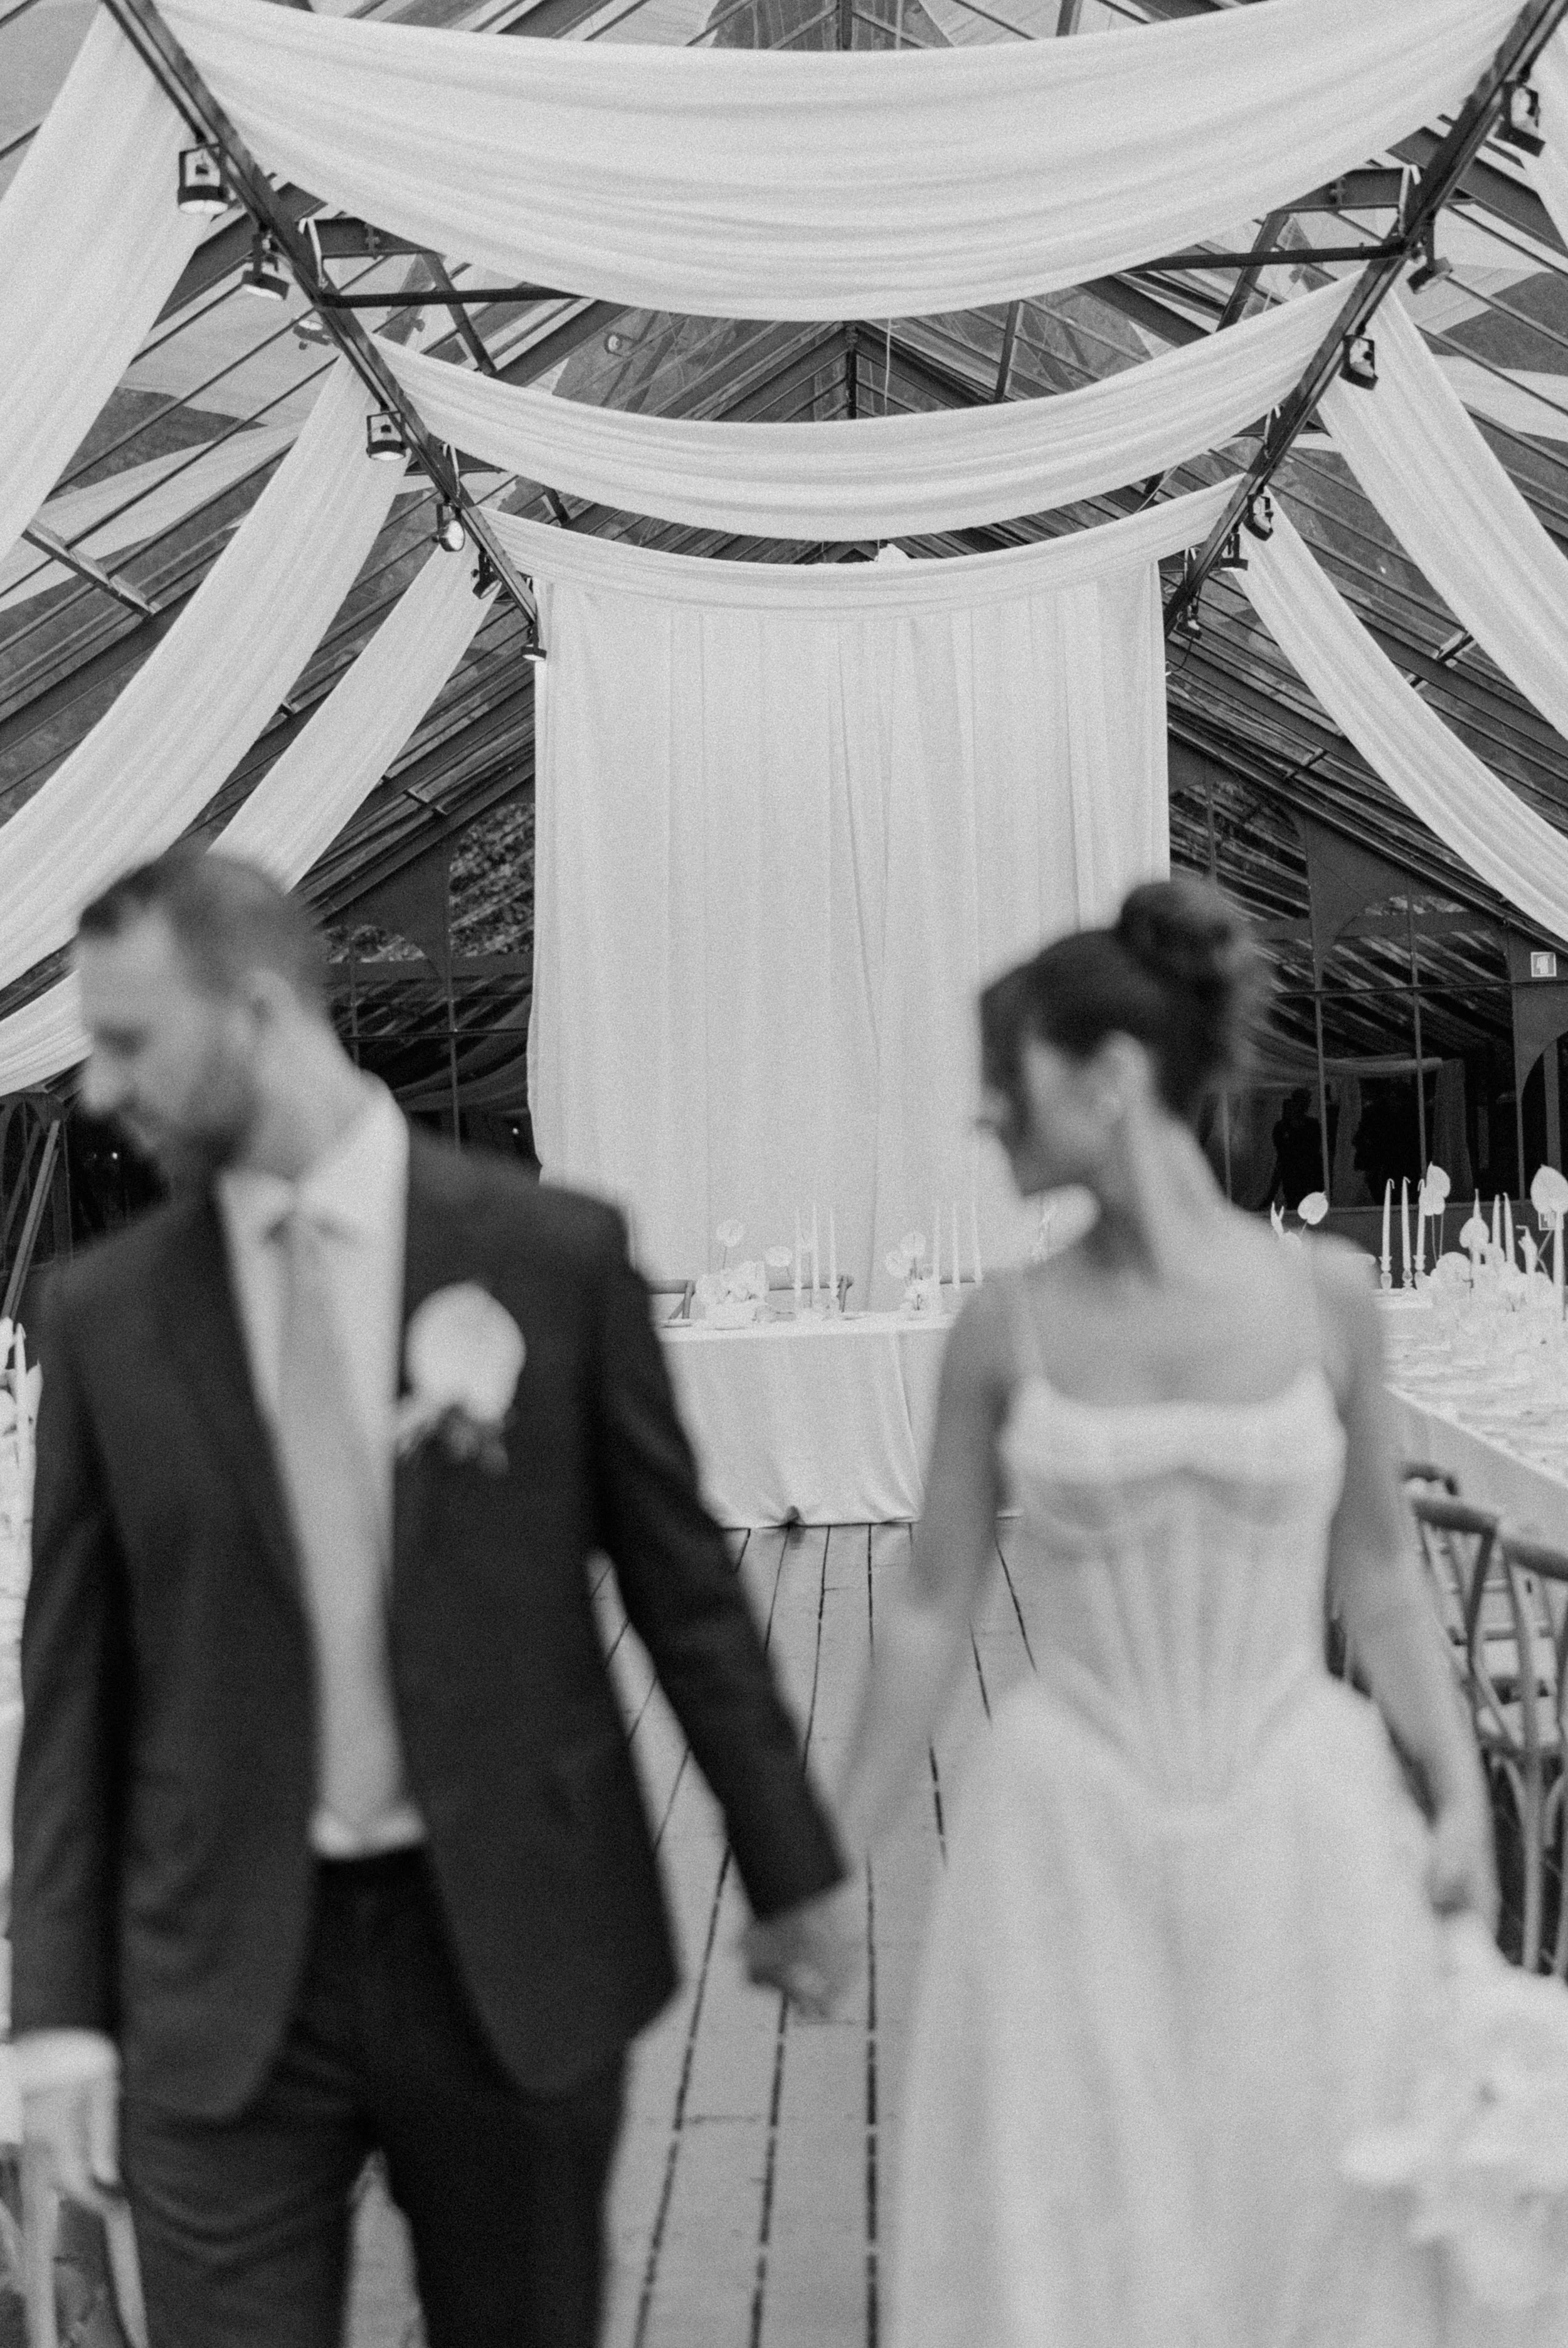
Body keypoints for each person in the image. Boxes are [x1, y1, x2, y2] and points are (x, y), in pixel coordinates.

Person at [11, 847, 854, 2348]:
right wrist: (60, 2014)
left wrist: (789, 1869)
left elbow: (686, 1597)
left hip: (511, 1950)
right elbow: (75, 1684)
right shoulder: (103, 1317)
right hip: (217, 1973)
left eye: (130, 1040)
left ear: (258, 1009)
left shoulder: (550, 1256)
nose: (95, 1090)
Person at [818, 877, 1530, 2346]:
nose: (982, 1121)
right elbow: (926, 1607)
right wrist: (827, 1855)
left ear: (1109, 1075)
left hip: (1300, 1818)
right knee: (1090, 2239)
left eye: (998, 1083)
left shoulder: (1326, 1295)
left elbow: (1382, 1572)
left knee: (1301, 2209)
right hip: (1067, 1838)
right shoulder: (997, 1326)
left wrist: (1455, 1788)